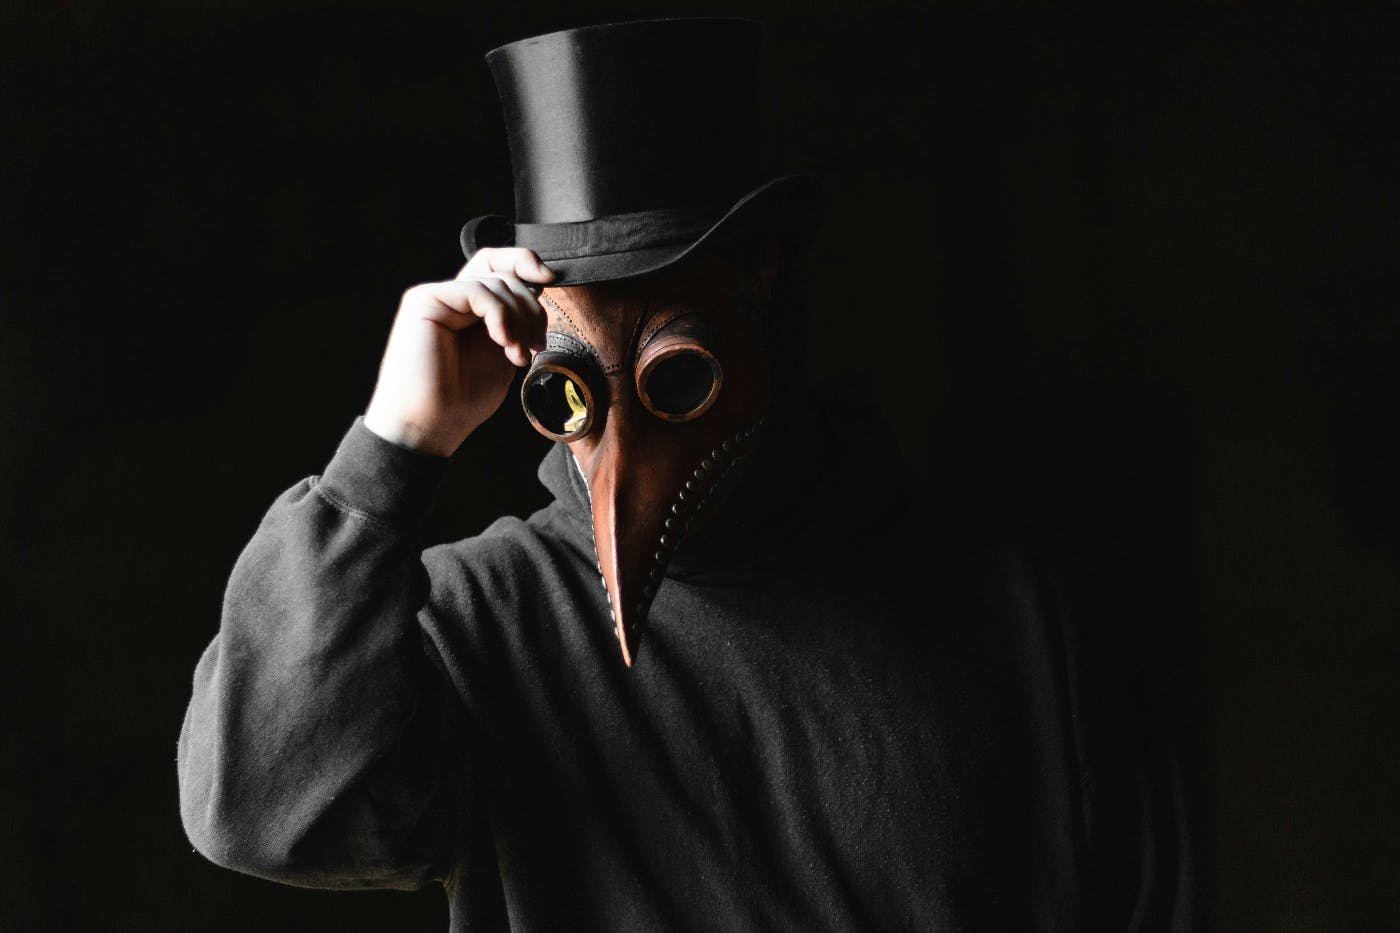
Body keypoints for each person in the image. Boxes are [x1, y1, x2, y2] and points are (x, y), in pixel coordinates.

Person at [177, 16, 1198, 932]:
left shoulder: (1016, 617)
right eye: (569, 393)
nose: (621, 448)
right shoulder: (476, 625)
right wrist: (391, 450)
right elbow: (269, 812)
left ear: (759, 290)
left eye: (677, 375)